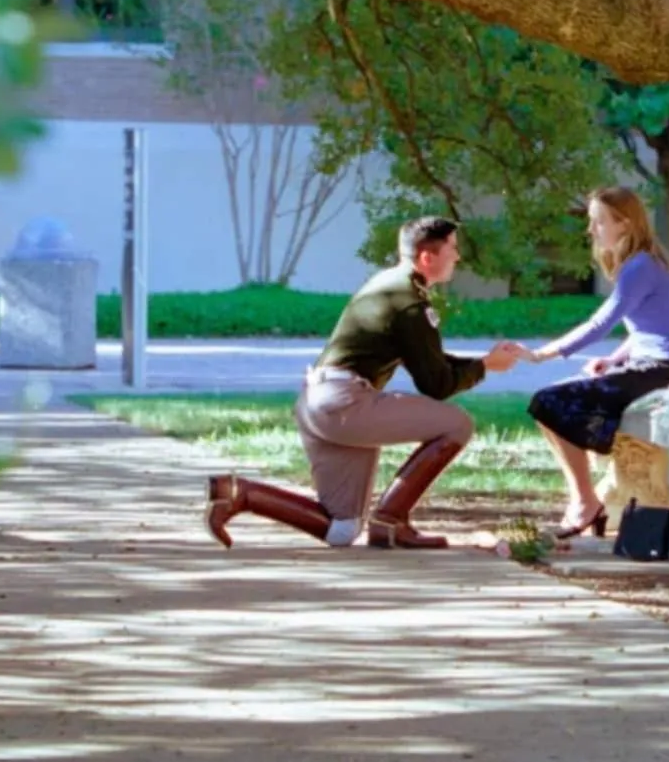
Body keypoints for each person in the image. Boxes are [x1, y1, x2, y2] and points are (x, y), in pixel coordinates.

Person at [204, 216, 524, 551]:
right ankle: (390, 521)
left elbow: (427, 358)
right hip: (344, 404)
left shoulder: (389, 284)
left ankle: (238, 493)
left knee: (342, 529)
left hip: (318, 401)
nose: (458, 257)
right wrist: (486, 366)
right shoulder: (409, 303)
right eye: (453, 249)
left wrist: (484, 362)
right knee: (458, 425)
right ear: (427, 257)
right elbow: (437, 385)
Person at [518, 187, 669, 538]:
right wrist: (613, 359)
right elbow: (652, 327)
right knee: (548, 402)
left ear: (624, 224)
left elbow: (600, 323)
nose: (591, 229)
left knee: (547, 401)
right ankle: (585, 500)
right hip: (654, 367)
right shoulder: (643, 263)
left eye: (598, 221)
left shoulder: (640, 266)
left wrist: (542, 354)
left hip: (661, 373)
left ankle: (585, 503)